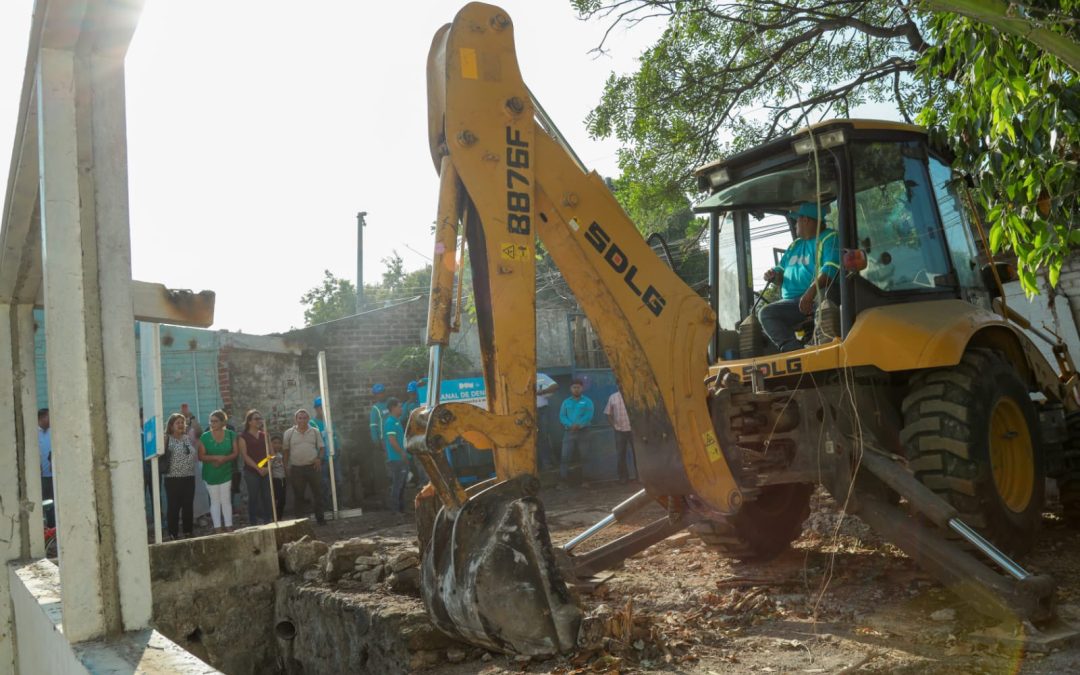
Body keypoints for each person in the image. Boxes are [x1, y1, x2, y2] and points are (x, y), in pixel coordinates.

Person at [759, 201, 840, 352]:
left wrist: (810, 293)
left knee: (825, 298)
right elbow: (780, 272)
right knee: (766, 313)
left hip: (817, 298)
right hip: (792, 304)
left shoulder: (829, 238)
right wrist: (773, 275)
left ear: (806, 220)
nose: (796, 224)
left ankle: (820, 341)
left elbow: (831, 269)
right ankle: (794, 351)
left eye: (797, 220)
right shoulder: (795, 245)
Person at [283, 409, 326, 525]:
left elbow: (322, 448)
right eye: (300, 418)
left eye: (305, 418)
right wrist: (286, 466)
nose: (302, 420)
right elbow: (286, 451)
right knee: (298, 496)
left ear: (308, 419)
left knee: (318, 494)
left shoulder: (315, 432)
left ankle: (320, 519)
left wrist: (319, 459)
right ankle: (300, 522)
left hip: (313, 467)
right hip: (297, 468)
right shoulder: (289, 433)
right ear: (295, 419)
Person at [199, 409, 238, 533]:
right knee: (215, 500)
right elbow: (201, 456)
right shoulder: (205, 437)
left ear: (222, 422)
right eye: (211, 421)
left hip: (226, 470)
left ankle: (229, 526)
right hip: (210, 472)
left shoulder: (231, 434)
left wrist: (224, 459)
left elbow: (235, 453)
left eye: (215, 421)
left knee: (226, 499)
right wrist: (215, 458)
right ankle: (217, 528)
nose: (212, 424)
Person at [162, 413, 197, 539]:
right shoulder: (166, 438)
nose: (181, 425)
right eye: (178, 423)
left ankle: (188, 531)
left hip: (189, 477)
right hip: (173, 479)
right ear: (171, 426)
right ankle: (173, 533)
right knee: (173, 507)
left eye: (182, 422)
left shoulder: (187, 438)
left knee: (188, 506)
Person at [238, 410, 273, 526]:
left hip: (265, 470)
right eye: (256, 419)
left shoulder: (265, 435)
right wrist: (258, 468)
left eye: (260, 418)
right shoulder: (243, 437)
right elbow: (245, 455)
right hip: (251, 472)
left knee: (267, 496)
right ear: (249, 421)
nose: (259, 421)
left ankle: (268, 520)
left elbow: (271, 453)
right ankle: (253, 521)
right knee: (253, 497)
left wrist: (268, 467)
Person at [558, 379, 594, 488]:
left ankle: (586, 481)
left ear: (582, 388)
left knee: (585, 457)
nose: (576, 389)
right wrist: (570, 425)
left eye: (578, 387)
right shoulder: (566, 402)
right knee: (565, 457)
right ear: (571, 389)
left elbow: (589, 414)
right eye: (574, 387)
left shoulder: (587, 401)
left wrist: (579, 424)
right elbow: (562, 416)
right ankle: (563, 482)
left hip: (584, 432)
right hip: (569, 433)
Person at [311, 397, 343, 507]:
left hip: (334, 457)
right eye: (321, 408)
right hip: (322, 459)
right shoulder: (313, 423)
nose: (323, 410)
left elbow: (334, 436)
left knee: (338, 481)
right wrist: (318, 457)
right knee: (324, 483)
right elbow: (313, 442)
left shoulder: (329, 421)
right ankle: (327, 506)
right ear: (316, 409)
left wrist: (338, 447)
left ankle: (338, 504)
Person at [383, 397, 409, 514]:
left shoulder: (397, 421)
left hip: (400, 458)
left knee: (402, 485)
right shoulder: (390, 422)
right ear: (393, 408)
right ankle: (395, 510)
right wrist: (402, 452)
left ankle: (401, 509)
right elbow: (392, 440)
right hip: (396, 459)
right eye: (399, 406)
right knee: (397, 485)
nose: (401, 408)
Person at [604, 389, 635, 484]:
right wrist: (614, 426)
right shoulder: (613, 397)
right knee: (620, 455)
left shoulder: (633, 395)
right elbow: (607, 413)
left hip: (634, 431)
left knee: (637, 455)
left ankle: (640, 478)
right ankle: (623, 478)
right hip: (619, 431)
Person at [399, 382, 424, 486]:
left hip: (426, 434)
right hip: (414, 436)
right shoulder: (407, 405)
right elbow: (402, 418)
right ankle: (423, 481)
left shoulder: (424, 401)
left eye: (413, 393)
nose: (412, 396)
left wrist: (423, 380)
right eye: (410, 394)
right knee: (418, 460)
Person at [536, 373, 558, 472]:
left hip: (542, 410)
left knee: (543, 437)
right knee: (528, 438)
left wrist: (543, 391)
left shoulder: (541, 376)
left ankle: (546, 463)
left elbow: (555, 386)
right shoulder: (519, 377)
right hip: (526, 412)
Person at [38, 408, 55, 528]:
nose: (50, 420)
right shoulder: (33, 433)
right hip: (40, 477)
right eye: (48, 417)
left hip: (53, 476)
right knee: (41, 504)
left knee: (53, 504)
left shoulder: (53, 432)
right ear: (42, 418)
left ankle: (52, 529)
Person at [269, 433, 287, 520]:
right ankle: (274, 518)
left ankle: (279, 518)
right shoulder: (269, 455)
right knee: (276, 499)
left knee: (282, 500)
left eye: (279, 443)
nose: (277, 445)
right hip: (275, 479)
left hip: (282, 479)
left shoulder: (281, 455)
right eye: (274, 443)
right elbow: (264, 465)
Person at [368, 383, 389, 448]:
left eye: (382, 392)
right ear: (375, 395)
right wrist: (376, 441)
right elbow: (373, 426)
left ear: (385, 392)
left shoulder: (390, 403)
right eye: (378, 394)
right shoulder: (375, 408)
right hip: (384, 439)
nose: (381, 395)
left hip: (396, 436)